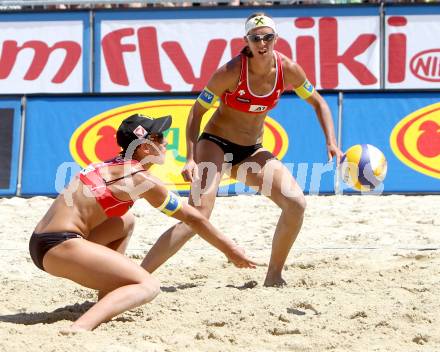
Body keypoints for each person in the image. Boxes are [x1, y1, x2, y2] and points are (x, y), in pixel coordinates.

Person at [141, 13, 343, 287]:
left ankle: (273, 276)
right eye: (256, 38)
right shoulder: (231, 71)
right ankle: (137, 276)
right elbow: (196, 113)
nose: (262, 43)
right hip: (215, 143)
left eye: (268, 37)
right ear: (246, 41)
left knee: (296, 204)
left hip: (251, 150)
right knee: (197, 216)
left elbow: (319, 103)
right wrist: (190, 158)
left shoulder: (288, 70)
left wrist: (331, 141)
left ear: (276, 38)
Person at [29, 114, 256, 333]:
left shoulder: (111, 164)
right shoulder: (139, 179)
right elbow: (193, 217)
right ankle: (79, 327)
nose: (166, 141)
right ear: (145, 147)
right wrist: (230, 249)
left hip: (41, 243)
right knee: (149, 286)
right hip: (60, 246)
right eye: (159, 137)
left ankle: (108, 295)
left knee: (124, 222)